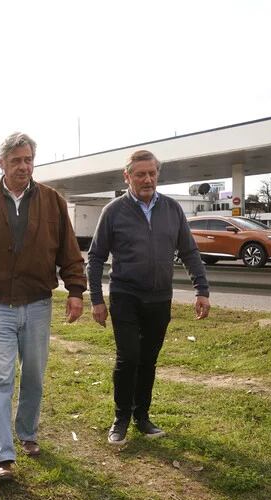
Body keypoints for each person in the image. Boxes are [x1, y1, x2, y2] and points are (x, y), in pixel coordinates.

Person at [0, 132, 87, 482]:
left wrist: (76, 290)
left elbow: (69, 251)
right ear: (2, 163)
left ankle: (27, 432)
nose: (23, 167)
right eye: (16, 161)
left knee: (33, 377)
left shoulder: (53, 201)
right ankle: (3, 456)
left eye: (28, 160)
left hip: (38, 305)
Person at [86, 149, 210, 446]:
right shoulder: (113, 211)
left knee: (149, 360)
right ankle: (121, 419)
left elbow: (190, 251)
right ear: (127, 176)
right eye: (140, 174)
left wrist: (201, 289)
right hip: (125, 294)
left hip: (159, 297)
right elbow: (95, 257)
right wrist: (96, 299)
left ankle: (142, 416)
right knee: (128, 357)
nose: (147, 179)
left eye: (152, 173)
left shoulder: (172, 209)